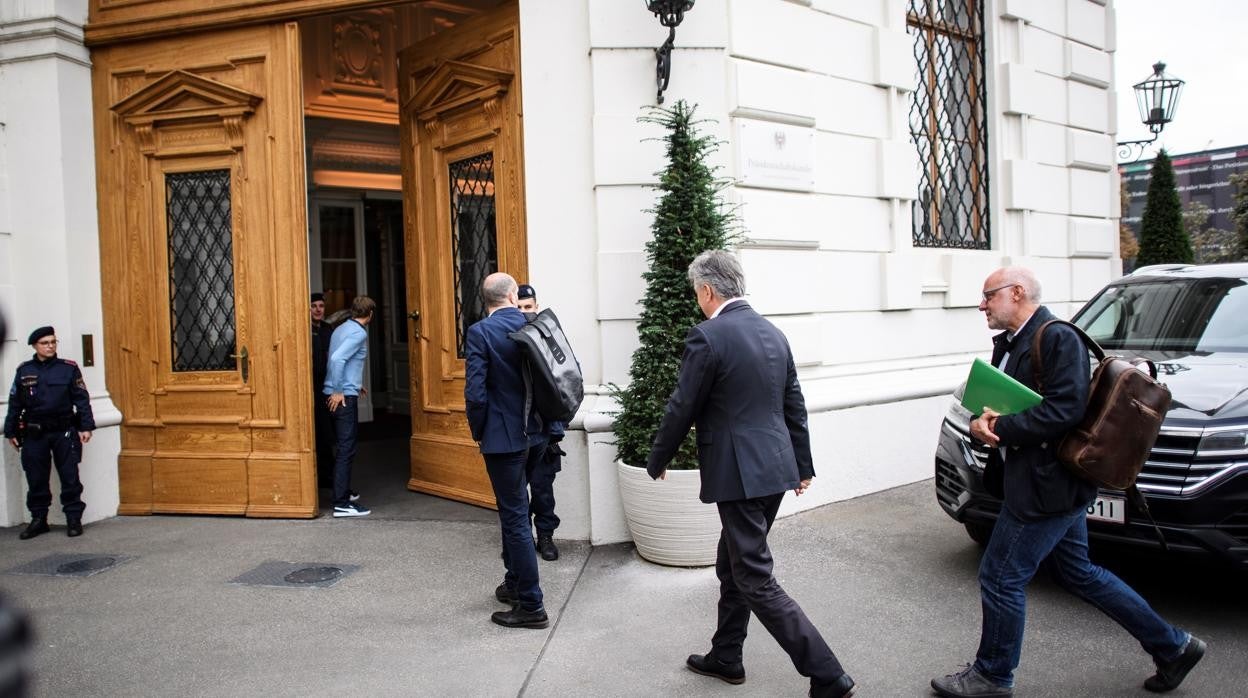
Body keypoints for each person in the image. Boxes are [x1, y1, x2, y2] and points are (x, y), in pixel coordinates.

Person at [930, 267, 1205, 698]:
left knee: (1001, 577)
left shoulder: (1058, 337)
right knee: (1080, 573)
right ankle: (1174, 646)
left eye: (988, 296)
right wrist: (989, 417)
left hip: (1047, 489)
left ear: (1016, 293)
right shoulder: (1017, 340)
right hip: (1046, 482)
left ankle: (993, 675)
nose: (982, 305)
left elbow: (1064, 411)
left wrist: (1000, 427)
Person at [645, 250, 855, 698]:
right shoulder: (773, 332)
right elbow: (793, 403)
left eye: (696, 293)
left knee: (755, 576)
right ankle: (727, 656)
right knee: (734, 564)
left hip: (739, 474)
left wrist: (658, 458)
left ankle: (827, 673)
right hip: (775, 470)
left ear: (707, 290)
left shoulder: (708, 336)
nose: (697, 300)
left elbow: (684, 405)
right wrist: (802, 465)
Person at [465, 273, 550, 629]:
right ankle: (514, 582)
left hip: (504, 439)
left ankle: (531, 605)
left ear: (485, 300)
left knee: (514, 517)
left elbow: (475, 393)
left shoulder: (480, 333)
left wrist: (480, 432)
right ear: (514, 295)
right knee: (516, 511)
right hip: (538, 434)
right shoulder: (534, 325)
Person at [4, 326, 96, 539]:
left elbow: (81, 398)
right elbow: (15, 403)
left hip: (64, 430)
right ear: (35, 346)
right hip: (35, 433)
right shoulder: (24, 370)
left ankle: (73, 518)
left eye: (53, 342)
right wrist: (10, 431)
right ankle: (39, 519)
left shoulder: (68, 368)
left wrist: (85, 426)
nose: (50, 346)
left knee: (70, 476)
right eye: (45, 343)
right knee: (36, 477)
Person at [515, 283, 565, 561]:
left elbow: (568, 378)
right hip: (518, 430)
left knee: (543, 490)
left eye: (529, 307)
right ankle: (522, 539)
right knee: (517, 492)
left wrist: (558, 426)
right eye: (519, 308)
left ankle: (545, 536)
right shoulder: (509, 338)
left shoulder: (549, 337)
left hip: (545, 431)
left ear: (536, 306)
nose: (525, 313)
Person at [324, 295, 375, 518]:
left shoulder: (341, 328)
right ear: (370, 314)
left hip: (341, 391)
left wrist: (355, 384)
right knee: (347, 448)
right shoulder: (358, 333)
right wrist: (339, 390)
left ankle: (342, 493)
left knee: (343, 447)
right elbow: (337, 359)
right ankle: (341, 503)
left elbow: (343, 360)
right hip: (342, 397)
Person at [310, 293, 336, 489]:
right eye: (314, 306)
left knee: (327, 432)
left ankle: (327, 476)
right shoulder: (305, 330)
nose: (318, 309)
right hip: (309, 385)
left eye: (321, 306)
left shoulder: (328, 329)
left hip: (327, 386)